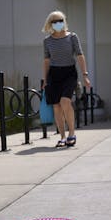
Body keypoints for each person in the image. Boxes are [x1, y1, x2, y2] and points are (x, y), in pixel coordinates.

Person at [42, 11, 91, 148]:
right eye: (55, 21)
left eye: (60, 20)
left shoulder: (72, 37)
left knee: (65, 101)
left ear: (64, 21)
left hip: (69, 73)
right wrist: (44, 79)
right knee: (56, 106)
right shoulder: (47, 41)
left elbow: (80, 55)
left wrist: (85, 75)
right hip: (54, 74)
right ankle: (62, 136)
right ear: (50, 24)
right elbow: (46, 61)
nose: (58, 23)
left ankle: (72, 133)